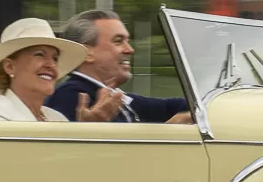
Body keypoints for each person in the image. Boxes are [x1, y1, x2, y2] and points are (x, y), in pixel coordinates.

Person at [44, 9, 194, 124]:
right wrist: (170, 129)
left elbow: (172, 107)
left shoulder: (112, 96)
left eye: (127, 41)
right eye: (118, 41)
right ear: (87, 53)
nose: (130, 49)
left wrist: (203, 107)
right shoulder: (71, 96)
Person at [0, 19, 126, 124]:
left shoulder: (56, 118)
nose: (51, 65)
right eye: (39, 54)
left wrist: (87, 130)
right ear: (10, 66)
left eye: (55, 58)